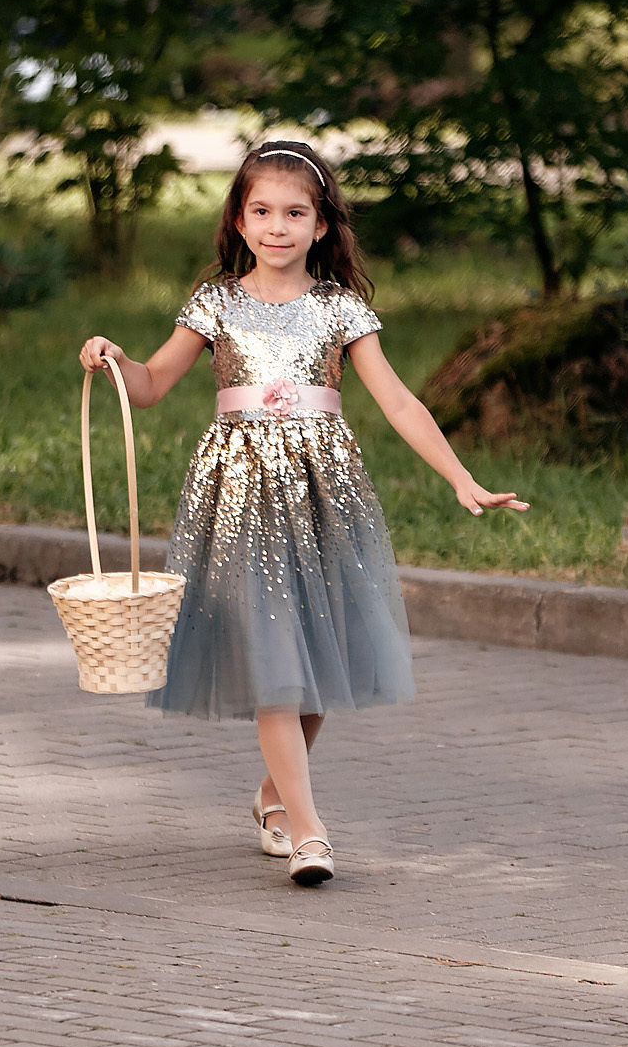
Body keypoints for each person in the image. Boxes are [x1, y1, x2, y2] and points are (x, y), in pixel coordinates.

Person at [79, 140, 527, 887]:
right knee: (275, 660)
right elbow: (153, 382)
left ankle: (272, 796)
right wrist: (112, 358)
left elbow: (398, 401)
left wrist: (461, 477)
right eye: (261, 210)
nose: (277, 225)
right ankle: (310, 830)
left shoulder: (339, 308)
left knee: (322, 658)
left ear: (321, 225)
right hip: (240, 495)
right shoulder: (216, 301)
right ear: (240, 218)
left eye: (295, 212)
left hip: (324, 492)